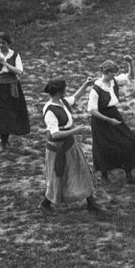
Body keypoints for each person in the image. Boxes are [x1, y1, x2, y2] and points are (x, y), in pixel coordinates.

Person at [39, 77, 105, 215]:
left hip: (69, 143)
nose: (66, 91)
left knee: (81, 169)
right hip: (58, 148)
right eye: (64, 89)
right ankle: (46, 203)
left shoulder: (62, 102)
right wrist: (76, 131)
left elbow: (75, 98)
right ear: (59, 92)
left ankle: (90, 202)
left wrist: (85, 84)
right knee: (58, 175)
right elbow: (55, 134)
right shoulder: (50, 110)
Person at [88, 57, 135, 184]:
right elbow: (92, 110)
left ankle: (128, 172)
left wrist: (131, 63)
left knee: (129, 141)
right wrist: (109, 120)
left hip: (113, 114)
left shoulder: (113, 81)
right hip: (100, 118)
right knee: (104, 147)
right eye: (112, 73)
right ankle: (104, 174)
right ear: (106, 72)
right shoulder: (96, 89)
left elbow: (130, 77)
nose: (114, 75)